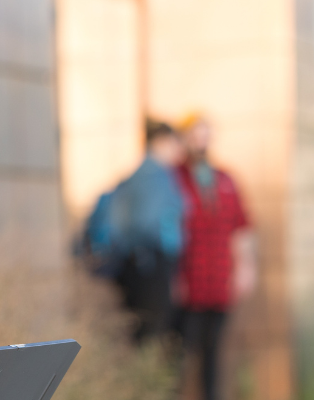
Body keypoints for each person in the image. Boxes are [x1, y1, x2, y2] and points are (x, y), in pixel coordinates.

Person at [82, 120, 188, 345]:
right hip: (151, 263)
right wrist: (170, 249)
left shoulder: (138, 174)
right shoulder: (155, 176)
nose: (179, 150)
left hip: (136, 264)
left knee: (141, 331)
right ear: (160, 142)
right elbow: (148, 223)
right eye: (175, 143)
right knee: (152, 333)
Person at [173, 113, 256, 400]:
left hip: (219, 283)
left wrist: (245, 267)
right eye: (195, 135)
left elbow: (241, 227)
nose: (201, 142)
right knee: (180, 357)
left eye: (205, 134)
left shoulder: (225, 180)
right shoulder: (174, 179)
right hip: (188, 284)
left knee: (214, 357)